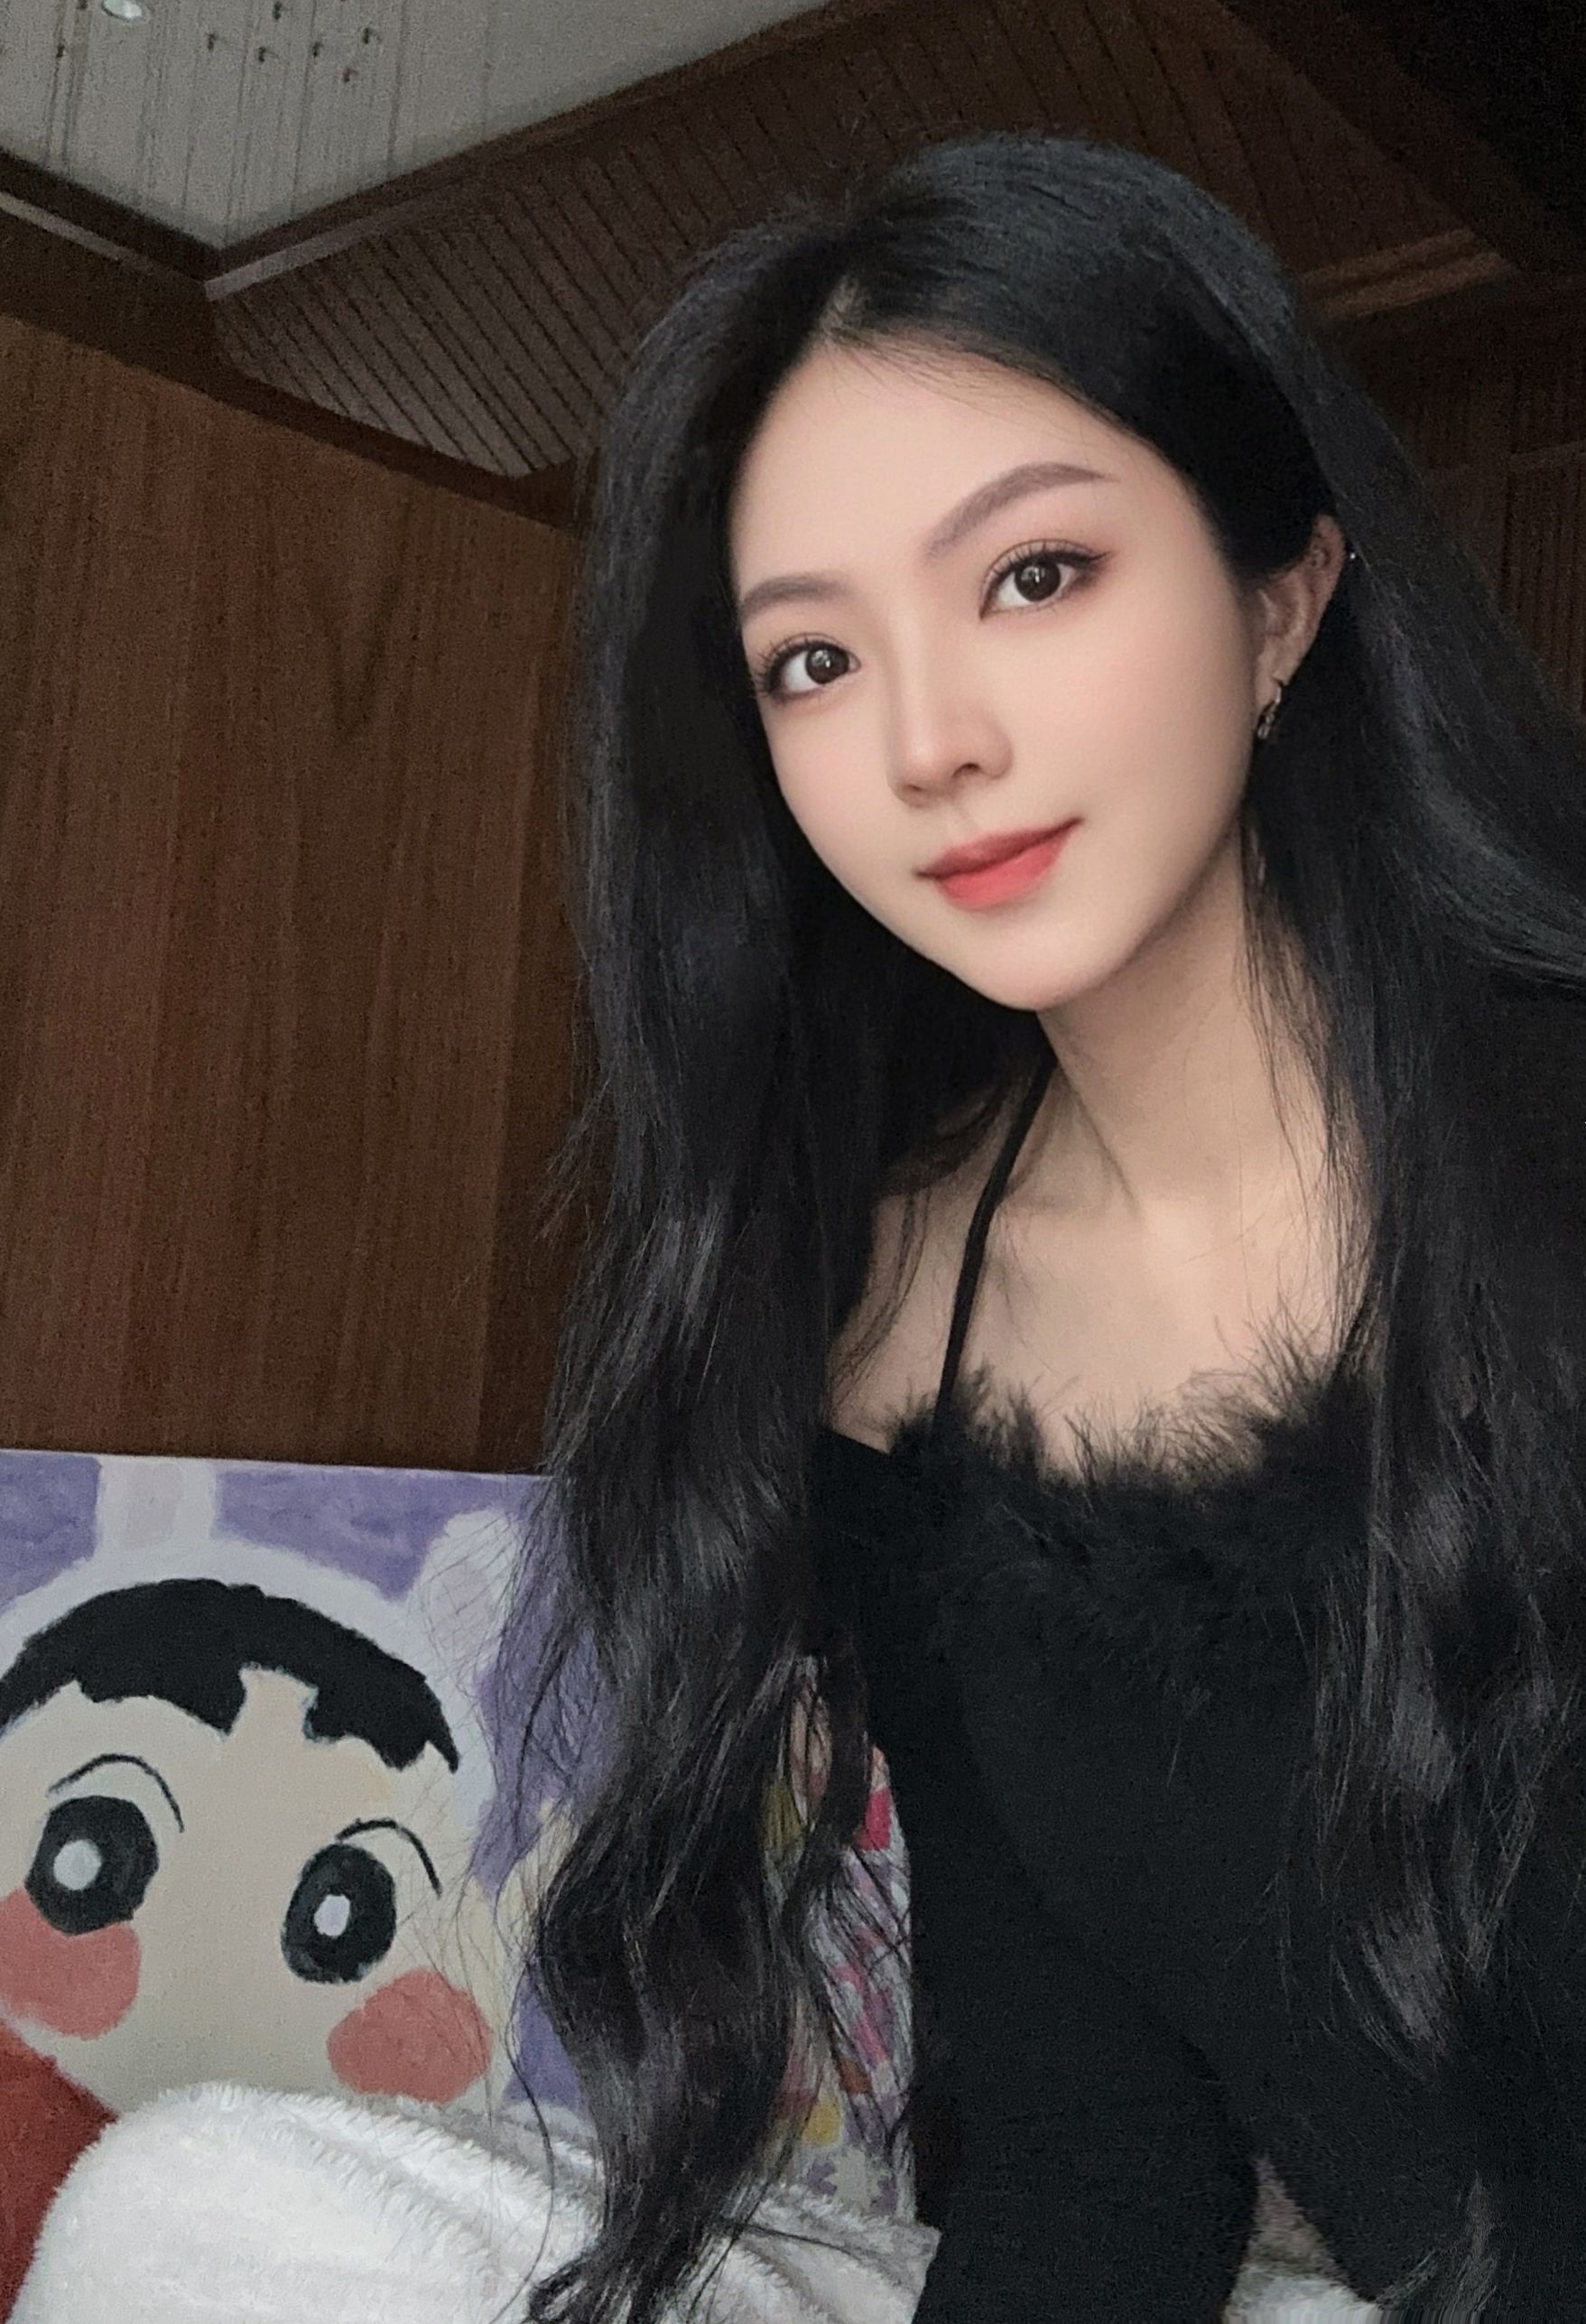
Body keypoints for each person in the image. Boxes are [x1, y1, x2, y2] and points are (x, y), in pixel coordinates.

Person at [16, 131, 1586, 2324]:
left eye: (1035, 575)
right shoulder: (896, 1332)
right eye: (812, 662)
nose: (929, 741)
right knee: (184, 2212)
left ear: (1284, 595)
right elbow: (1091, 2162)